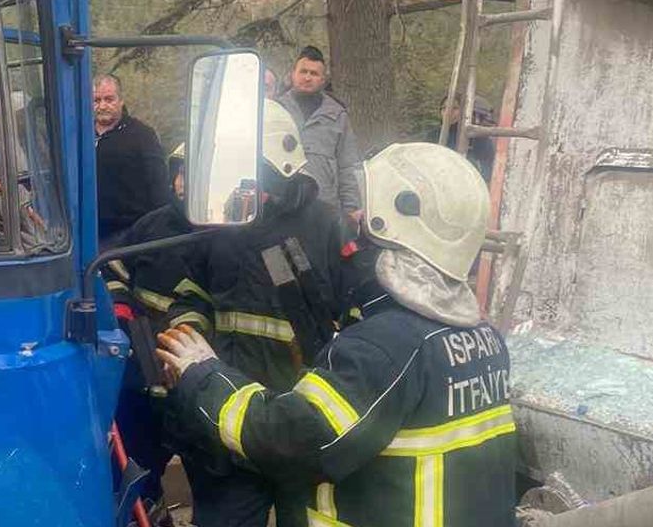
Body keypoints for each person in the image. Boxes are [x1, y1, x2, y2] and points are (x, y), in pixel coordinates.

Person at [157, 142, 516, 527]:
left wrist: (203, 373)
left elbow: (286, 439)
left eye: (366, 217)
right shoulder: (485, 340)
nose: (355, 221)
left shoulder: (384, 349)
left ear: (396, 231)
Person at [164, 100, 345, 527]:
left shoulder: (325, 226)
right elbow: (192, 291)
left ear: (279, 169)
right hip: (227, 428)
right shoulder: (223, 221)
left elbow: (355, 313)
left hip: (301, 425)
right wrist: (187, 330)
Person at [103, 144, 192, 525]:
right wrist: (123, 312)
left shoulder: (229, 235)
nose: (183, 182)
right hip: (143, 367)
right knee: (138, 458)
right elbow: (112, 269)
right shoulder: (153, 226)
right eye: (181, 172)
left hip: (196, 375)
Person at [279, 46, 362, 224]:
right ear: (293, 74)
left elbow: (348, 166)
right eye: (303, 71)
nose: (307, 77)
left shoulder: (337, 115)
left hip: (325, 208)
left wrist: (352, 209)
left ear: (323, 79)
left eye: (314, 73)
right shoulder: (276, 110)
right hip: (281, 206)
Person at [93, 74, 171, 245]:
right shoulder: (80, 135)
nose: (102, 106)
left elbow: (159, 189)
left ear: (121, 100)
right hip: (86, 233)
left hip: (130, 236)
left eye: (109, 99)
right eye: (97, 100)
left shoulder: (142, 135)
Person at [430, 94, 496, 183]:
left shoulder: (477, 138)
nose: (448, 112)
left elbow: (486, 172)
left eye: (454, 108)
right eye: (444, 108)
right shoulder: (432, 135)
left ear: (464, 111)